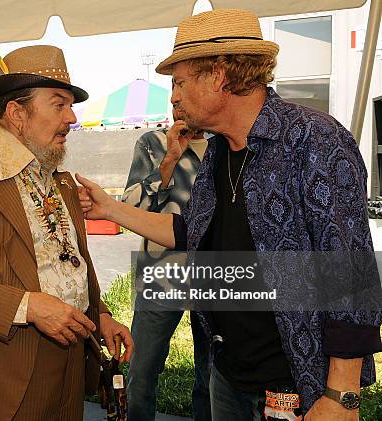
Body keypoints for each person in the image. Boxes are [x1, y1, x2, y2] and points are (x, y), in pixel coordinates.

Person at [78, 9, 382, 421]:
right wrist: (107, 208)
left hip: (297, 385)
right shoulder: (219, 151)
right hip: (230, 377)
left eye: (181, 82)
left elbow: (349, 272)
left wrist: (341, 395)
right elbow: (188, 231)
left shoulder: (314, 140)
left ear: (218, 76)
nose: (173, 96)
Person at [0, 44, 133, 421]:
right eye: (59, 104)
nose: (72, 117)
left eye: (70, 105)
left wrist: (101, 314)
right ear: (17, 113)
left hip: (70, 365)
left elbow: (73, 263)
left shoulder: (61, 180)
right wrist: (30, 307)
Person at [122, 110, 211, 421]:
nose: (179, 105)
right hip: (161, 270)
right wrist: (170, 160)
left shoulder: (225, 144)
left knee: (211, 372)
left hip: (215, 273)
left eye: (184, 92)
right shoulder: (152, 142)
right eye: (174, 94)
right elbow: (131, 209)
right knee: (143, 366)